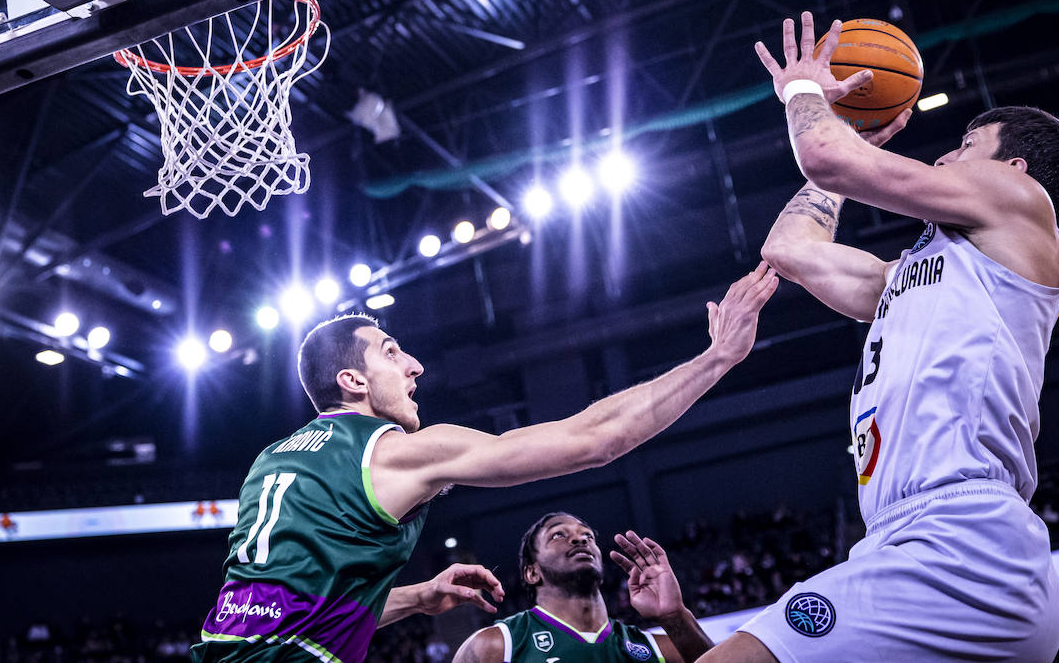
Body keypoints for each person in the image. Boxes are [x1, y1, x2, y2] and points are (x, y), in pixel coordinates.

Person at [695, 13, 1059, 663]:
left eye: (966, 143)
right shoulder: (908, 278)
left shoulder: (1021, 203)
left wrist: (807, 95)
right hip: (901, 538)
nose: (945, 155)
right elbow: (787, 249)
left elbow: (824, 153)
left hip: (963, 539)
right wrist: (840, 145)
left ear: (1014, 167)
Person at [192, 264, 779, 663]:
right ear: (352, 381)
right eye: (392, 353)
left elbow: (289, 605)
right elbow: (591, 440)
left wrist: (420, 597)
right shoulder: (394, 451)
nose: (414, 365)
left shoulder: (270, 463)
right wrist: (718, 358)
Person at [452, 512, 713, 663]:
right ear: (532, 572)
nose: (579, 538)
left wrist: (674, 616)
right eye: (558, 534)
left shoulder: (657, 648)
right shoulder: (496, 645)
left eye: (587, 535)